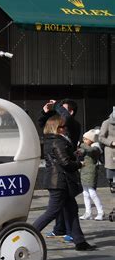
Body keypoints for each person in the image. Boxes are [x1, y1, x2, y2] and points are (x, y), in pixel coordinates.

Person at [33, 115, 96, 251]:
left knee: (72, 210)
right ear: (55, 128)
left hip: (60, 181)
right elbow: (65, 163)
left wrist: (75, 155)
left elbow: (64, 158)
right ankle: (28, 233)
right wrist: (79, 164)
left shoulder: (52, 141)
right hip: (60, 182)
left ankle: (80, 242)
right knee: (52, 211)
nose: (65, 128)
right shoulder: (58, 141)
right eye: (62, 126)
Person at [37, 98, 81, 239]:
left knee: (69, 208)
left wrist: (56, 105)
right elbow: (45, 125)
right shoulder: (56, 138)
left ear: (71, 111)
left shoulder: (73, 125)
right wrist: (46, 113)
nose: (60, 111)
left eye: (63, 108)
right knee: (56, 209)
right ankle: (30, 231)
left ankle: (77, 238)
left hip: (64, 174)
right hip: (60, 174)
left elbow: (65, 119)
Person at [77, 129, 104, 221]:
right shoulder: (86, 147)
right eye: (83, 139)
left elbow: (90, 150)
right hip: (84, 172)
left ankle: (100, 212)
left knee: (92, 193)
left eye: (85, 139)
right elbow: (81, 152)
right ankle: (88, 212)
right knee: (85, 193)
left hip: (91, 173)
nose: (84, 140)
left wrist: (81, 144)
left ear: (91, 139)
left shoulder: (95, 147)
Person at [98, 111, 115, 193]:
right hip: (111, 151)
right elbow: (101, 137)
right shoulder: (106, 123)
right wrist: (111, 142)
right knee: (112, 174)